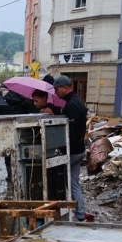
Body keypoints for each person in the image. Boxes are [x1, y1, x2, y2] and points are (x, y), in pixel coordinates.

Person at [50, 75, 92, 222]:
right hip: (79, 149)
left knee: (62, 181)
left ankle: (68, 212)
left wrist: (63, 150)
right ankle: (79, 212)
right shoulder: (76, 102)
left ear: (65, 88)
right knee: (73, 182)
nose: (55, 92)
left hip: (73, 150)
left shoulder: (71, 105)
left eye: (57, 89)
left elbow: (71, 132)